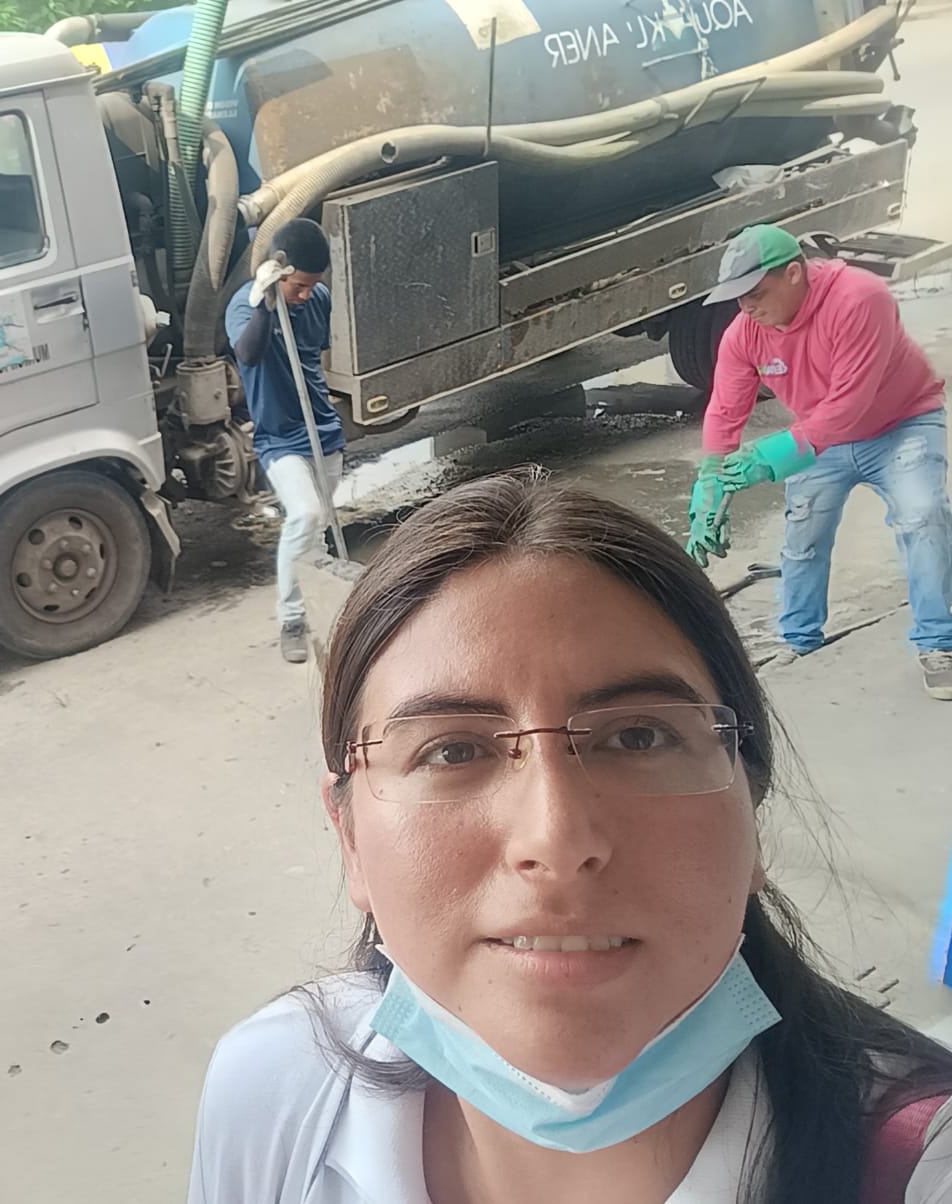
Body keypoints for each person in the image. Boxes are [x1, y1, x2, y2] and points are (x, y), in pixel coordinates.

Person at [188, 471, 952, 1204]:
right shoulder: (276, 1092)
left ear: (749, 808)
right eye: (452, 751)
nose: (556, 840)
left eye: (638, 737)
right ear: (350, 836)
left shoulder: (924, 1163)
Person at [686, 224, 952, 700]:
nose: (746, 307)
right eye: (738, 297)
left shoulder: (859, 298)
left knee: (922, 515)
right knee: (803, 538)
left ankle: (938, 643)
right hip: (819, 438)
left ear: (794, 273)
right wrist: (710, 487)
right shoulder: (745, 333)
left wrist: (768, 457)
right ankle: (798, 639)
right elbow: (724, 412)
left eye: (755, 293)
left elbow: (850, 405)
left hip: (902, 424)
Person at [226, 218, 346, 665]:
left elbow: (314, 353)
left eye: (313, 285)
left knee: (318, 529)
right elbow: (248, 354)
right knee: (306, 515)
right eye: (299, 286)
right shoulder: (245, 305)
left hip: (322, 428)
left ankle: (324, 605)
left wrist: (299, 297)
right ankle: (292, 619)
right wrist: (265, 305)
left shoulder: (319, 299)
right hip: (279, 438)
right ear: (279, 273)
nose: (307, 294)